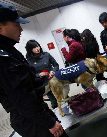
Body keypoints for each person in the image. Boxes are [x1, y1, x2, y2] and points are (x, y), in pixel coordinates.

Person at [0, 3, 68, 137]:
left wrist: (43, 77)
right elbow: (21, 98)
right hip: (30, 118)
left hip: (35, 110)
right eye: (16, 24)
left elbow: (28, 82)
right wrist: (49, 123)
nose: (21, 29)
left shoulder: (10, 51)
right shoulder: (3, 58)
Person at [25, 39, 59, 109]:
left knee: (62, 96)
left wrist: (53, 71)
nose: (37, 49)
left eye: (37, 46)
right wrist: (39, 75)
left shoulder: (46, 55)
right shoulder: (29, 61)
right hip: (43, 84)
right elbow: (30, 75)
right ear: (30, 50)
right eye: (34, 48)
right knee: (54, 102)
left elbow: (56, 65)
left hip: (54, 80)